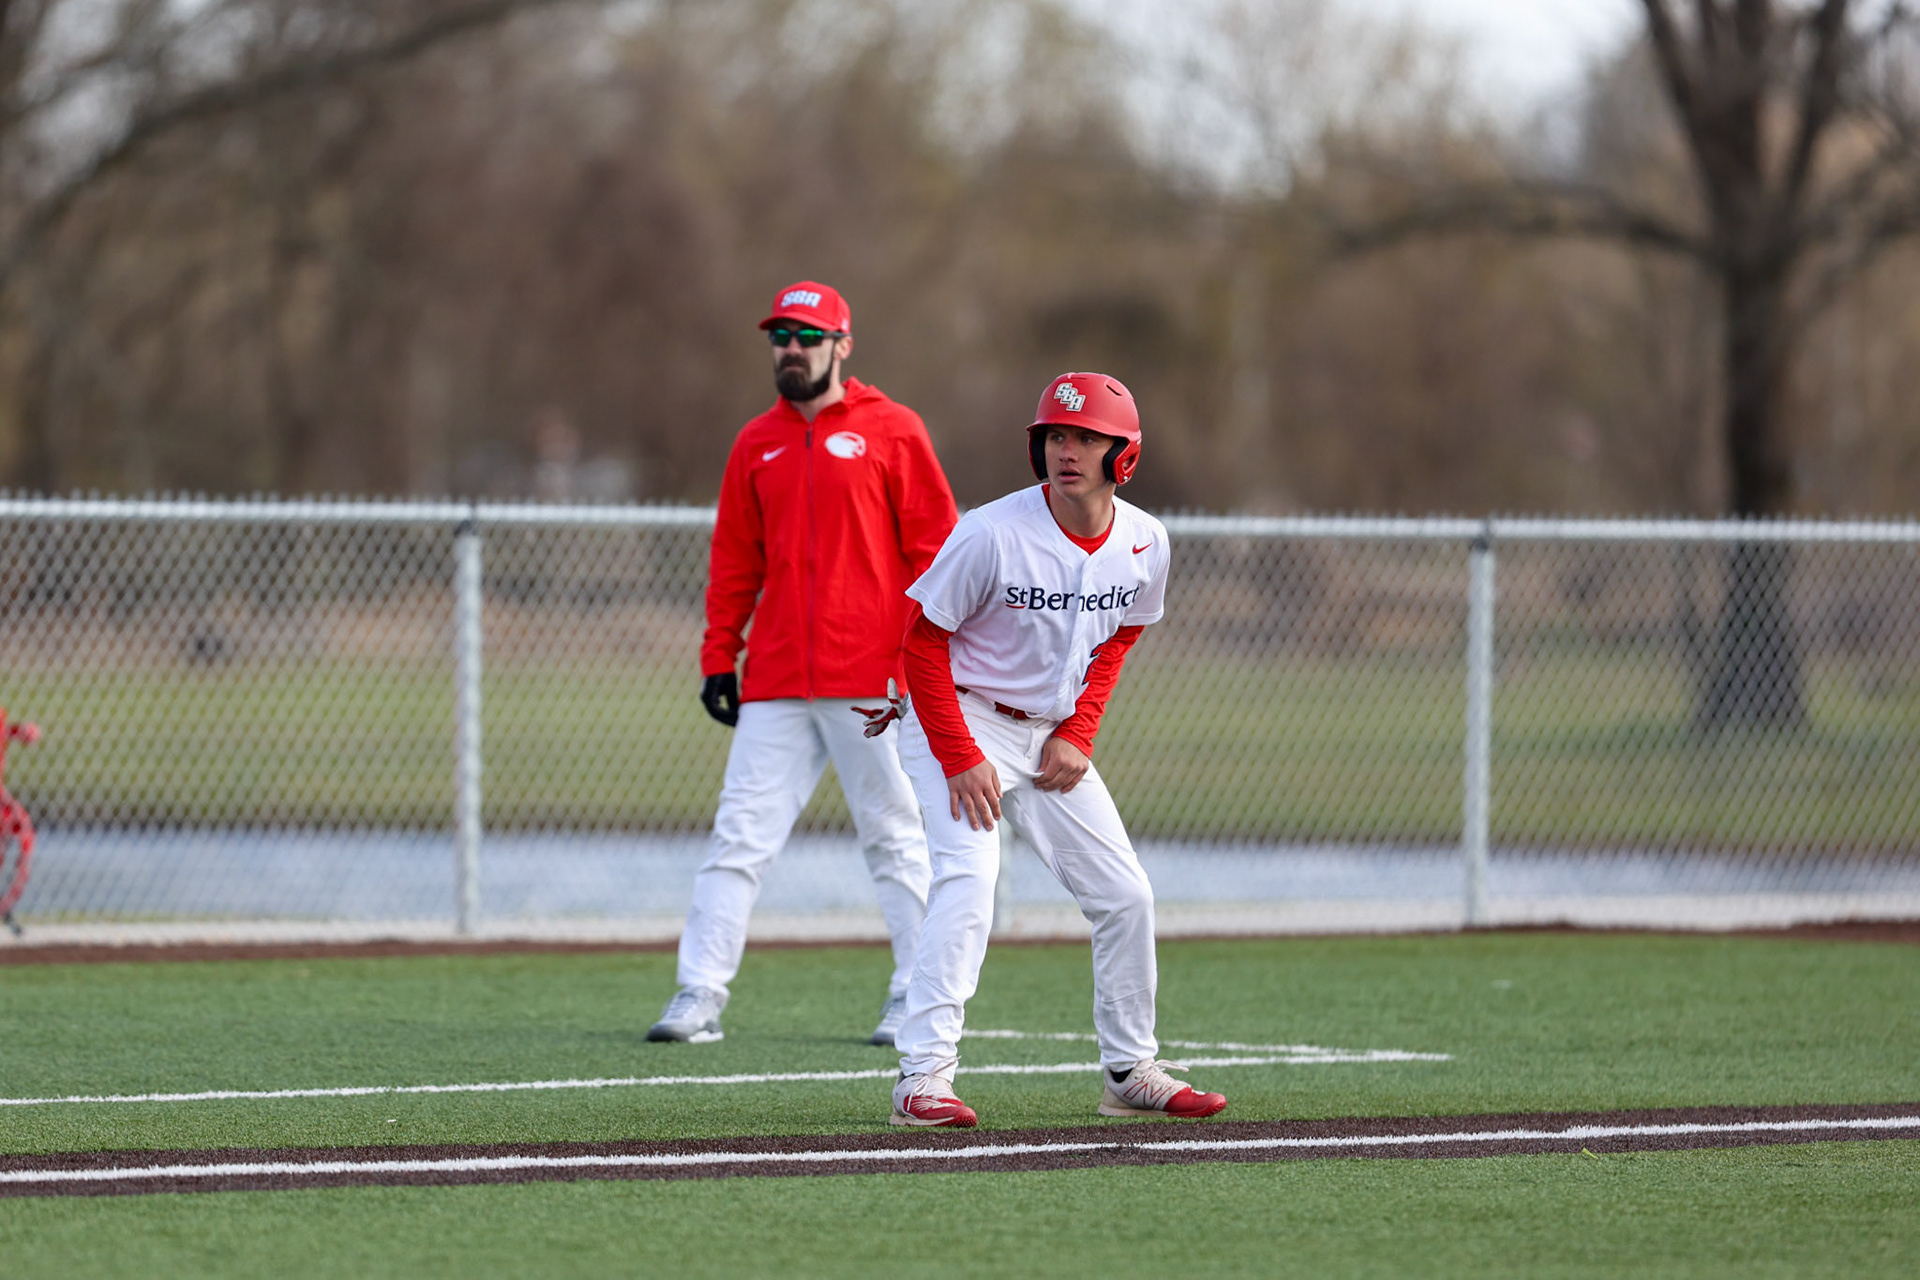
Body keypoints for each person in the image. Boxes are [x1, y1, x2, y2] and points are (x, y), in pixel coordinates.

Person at [866, 371, 1227, 1127]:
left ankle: (1129, 1071)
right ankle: (921, 1079)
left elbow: (1121, 637)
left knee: (1126, 895)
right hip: (960, 717)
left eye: (1088, 438)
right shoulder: (992, 532)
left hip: (1051, 733)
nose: (1068, 451)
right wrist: (960, 755)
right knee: (970, 879)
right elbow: (921, 643)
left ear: (1123, 455)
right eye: (1056, 436)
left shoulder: (1145, 541)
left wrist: (1079, 731)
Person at [648, 281, 958, 1047]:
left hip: (873, 680)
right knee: (738, 839)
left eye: (808, 336)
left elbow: (938, 553)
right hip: (778, 678)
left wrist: (924, 661)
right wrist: (719, 656)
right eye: (780, 336)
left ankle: (914, 994)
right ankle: (699, 992)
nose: (791, 348)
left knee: (895, 840)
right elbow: (734, 561)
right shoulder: (756, 442)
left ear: (842, 345)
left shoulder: (894, 431)